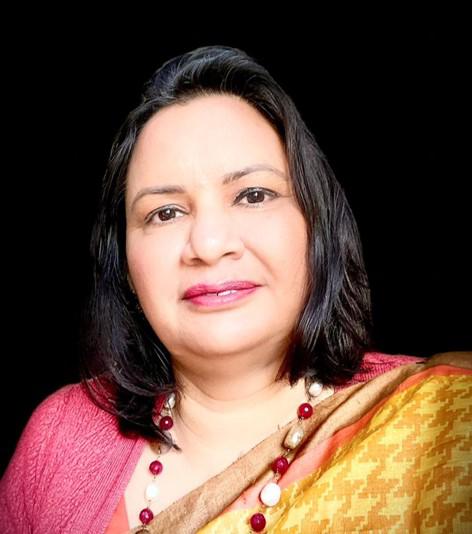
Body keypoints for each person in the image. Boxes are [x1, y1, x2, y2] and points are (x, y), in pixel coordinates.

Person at [0, 45, 470, 534]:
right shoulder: (59, 441)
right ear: (126, 265)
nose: (208, 245)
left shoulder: (437, 425)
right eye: (165, 213)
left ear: (316, 227)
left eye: (252, 195)